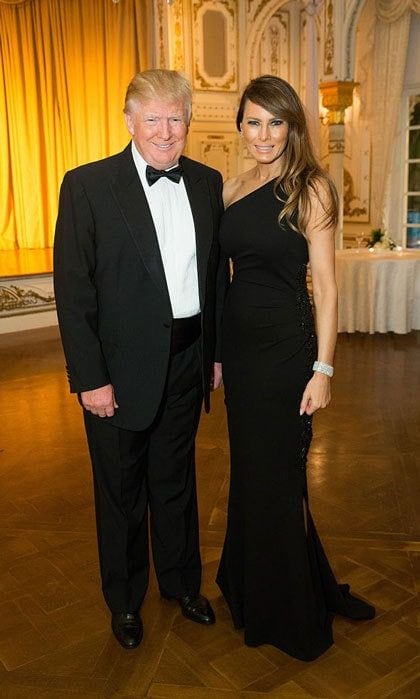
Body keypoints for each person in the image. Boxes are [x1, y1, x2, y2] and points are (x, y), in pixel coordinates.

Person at [54, 69, 228, 650]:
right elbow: (74, 293)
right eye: (152, 118)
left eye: (175, 117)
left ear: (188, 122)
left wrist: (214, 355)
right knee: (122, 493)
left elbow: (214, 281)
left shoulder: (206, 182)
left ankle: (181, 583)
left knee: (176, 482)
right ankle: (125, 602)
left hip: (187, 362)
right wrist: (90, 379)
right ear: (128, 121)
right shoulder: (87, 186)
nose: (165, 130)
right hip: (118, 373)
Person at [216, 75, 375, 661]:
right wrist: (216, 356)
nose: (263, 134)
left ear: (292, 127)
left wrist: (323, 368)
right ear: (240, 125)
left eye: (275, 122)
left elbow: (327, 289)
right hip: (240, 351)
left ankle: (290, 605)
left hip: (287, 351)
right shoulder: (231, 190)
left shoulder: (312, 190)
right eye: (253, 121)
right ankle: (253, 586)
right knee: (250, 473)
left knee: (281, 476)